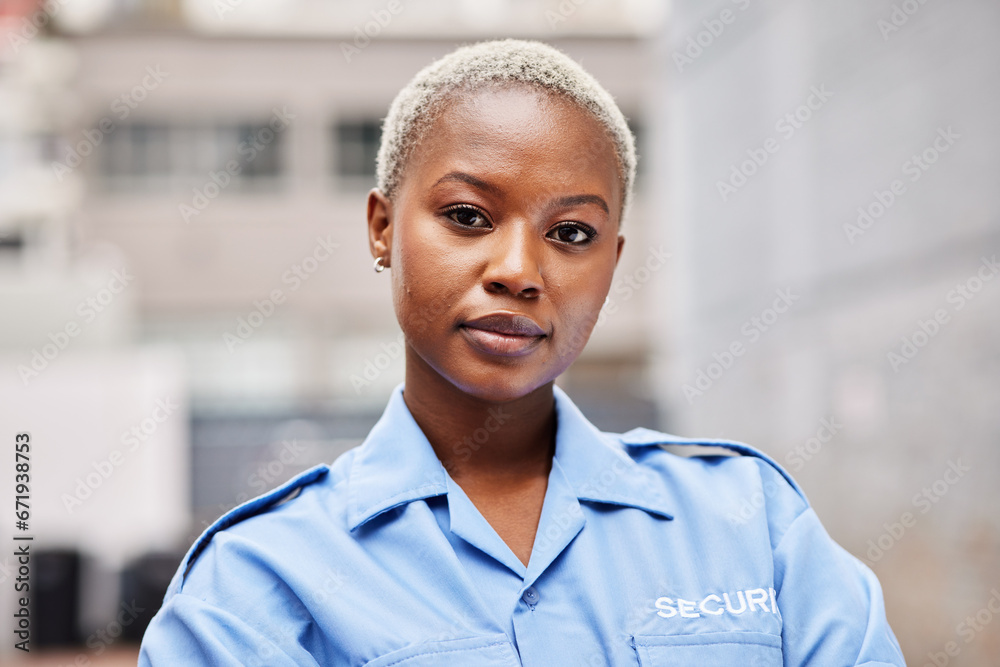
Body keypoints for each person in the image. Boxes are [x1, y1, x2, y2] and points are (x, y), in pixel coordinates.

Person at [139, 39, 905, 666]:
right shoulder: (253, 587)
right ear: (381, 227)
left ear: (612, 257)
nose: (517, 269)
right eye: (468, 215)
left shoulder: (748, 518)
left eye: (572, 233)